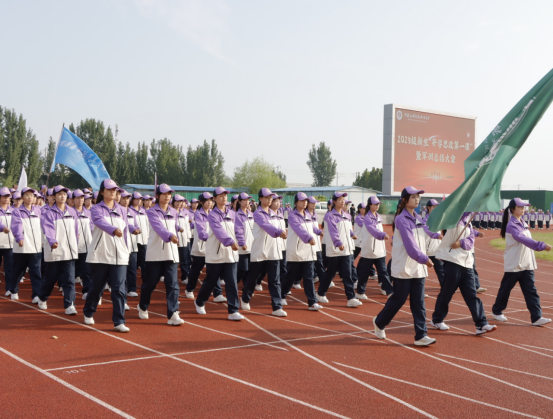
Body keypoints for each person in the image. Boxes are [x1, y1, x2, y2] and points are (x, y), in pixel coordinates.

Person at [373, 186, 436, 346]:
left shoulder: (417, 217)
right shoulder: (401, 219)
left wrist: (438, 235)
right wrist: (424, 258)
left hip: (418, 268)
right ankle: (379, 322)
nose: (417, 199)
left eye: (418, 197)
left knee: (418, 302)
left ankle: (421, 335)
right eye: (413, 197)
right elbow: (410, 245)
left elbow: (426, 231)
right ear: (404, 200)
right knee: (399, 299)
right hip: (405, 267)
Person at [431, 212, 497, 335]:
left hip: (467, 264)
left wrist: (461, 243)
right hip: (453, 261)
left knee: (472, 295)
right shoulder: (453, 219)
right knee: (446, 294)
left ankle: (481, 324)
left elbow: (471, 240)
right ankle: (437, 320)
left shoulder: (468, 222)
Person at [492, 198, 551, 326]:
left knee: (531, 290)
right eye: (520, 207)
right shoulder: (512, 225)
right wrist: (541, 245)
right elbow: (521, 238)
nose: (523, 209)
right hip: (515, 263)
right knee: (506, 289)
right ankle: (497, 310)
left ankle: (536, 317)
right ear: (513, 209)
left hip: (527, 263)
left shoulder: (523, 223)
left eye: (524, 207)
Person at [82, 179, 131, 332]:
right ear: (102, 192)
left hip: (119, 255)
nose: (112, 192)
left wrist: (126, 249)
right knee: (97, 288)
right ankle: (89, 311)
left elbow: (126, 232)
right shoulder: (96, 208)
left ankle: (119, 321)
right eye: (109, 189)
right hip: (100, 254)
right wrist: (113, 229)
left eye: (114, 190)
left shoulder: (122, 210)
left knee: (119, 289)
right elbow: (99, 222)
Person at [137, 184, 184, 326]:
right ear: (157, 196)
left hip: (171, 253)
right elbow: (159, 227)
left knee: (173, 284)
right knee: (151, 283)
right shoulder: (152, 212)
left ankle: (173, 314)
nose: (167, 196)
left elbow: (173, 227)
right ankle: (143, 306)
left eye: (169, 194)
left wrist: (176, 236)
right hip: (155, 253)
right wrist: (170, 236)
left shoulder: (174, 211)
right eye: (164, 194)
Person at [194, 187, 244, 320]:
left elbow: (238, 229)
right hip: (216, 254)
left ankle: (233, 310)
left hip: (230, 255)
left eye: (225, 195)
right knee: (210, 282)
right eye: (220, 196)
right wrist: (230, 241)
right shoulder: (212, 215)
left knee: (232, 282)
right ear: (215, 199)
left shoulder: (232, 214)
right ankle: (199, 301)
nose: (224, 198)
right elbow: (219, 231)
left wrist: (241, 241)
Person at [241, 188, 288, 317]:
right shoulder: (258, 213)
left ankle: (277, 307)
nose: (269, 199)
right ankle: (245, 298)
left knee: (275, 280)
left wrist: (283, 233)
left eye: (270, 197)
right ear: (260, 199)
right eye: (266, 197)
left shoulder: (276, 214)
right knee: (253, 278)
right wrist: (279, 232)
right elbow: (266, 225)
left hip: (274, 251)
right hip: (260, 251)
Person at [37, 185, 79, 314]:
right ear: (54, 197)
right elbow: (48, 229)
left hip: (69, 252)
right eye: (60, 194)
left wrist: (75, 243)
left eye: (65, 194)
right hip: (54, 251)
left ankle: (69, 305)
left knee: (69, 280)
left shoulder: (72, 212)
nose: (63, 196)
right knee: (50, 279)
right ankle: (42, 297)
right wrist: (52, 241)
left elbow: (75, 230)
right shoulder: (48, 213)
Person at [316, 192, 361, 307]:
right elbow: (333, 231)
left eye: (343, 199)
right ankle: (320, 293)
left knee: (347, 274)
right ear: (334, 202)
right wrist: (338, 243)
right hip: (336, 249)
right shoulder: (330, 216)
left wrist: (352, 234)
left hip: (346, 250)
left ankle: (351, 298)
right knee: (330, 273)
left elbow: (347, 229)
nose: (342, 201)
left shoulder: (347, 215)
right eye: (340, 199)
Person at [281, 192, 323, 310]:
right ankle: (282, 294)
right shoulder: (293, 216)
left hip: (308, 251)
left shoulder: (307, 214)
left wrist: (319, 232)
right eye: (302, 201)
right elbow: (299, 229)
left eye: (305, 201)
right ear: (296, 202)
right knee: (290, 276)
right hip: (296, 251)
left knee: (308, 277)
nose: (304, 203)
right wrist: (309, 238)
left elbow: (311, 227)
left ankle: (312, 302)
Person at [185, 192, 224, 301]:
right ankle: (189, 289)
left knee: (214, 270)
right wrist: (208, 238)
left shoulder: (214, 213)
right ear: (201, 202)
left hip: (212, 247)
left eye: (211, 201)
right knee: (196, 270)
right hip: (200, 248)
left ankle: (217, 293)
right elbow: (201, 229)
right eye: (207, 201)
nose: (210, 203)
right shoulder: (198, 214)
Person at [356, 196, 394, 299]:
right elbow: (372, 230)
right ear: (369, 205)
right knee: (364, 273)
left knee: (383, 272)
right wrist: (382, 235)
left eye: (378, 204)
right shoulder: (367, 218)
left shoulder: (378, 217)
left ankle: (389, 291)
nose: (377, 206)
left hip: (379, 250)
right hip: (369, 250)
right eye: (375, 204)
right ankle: (360, 292)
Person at [9, 187, 43, 302]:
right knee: (18, 271)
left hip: (36, 248)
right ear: (22, 197)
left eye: (32, 196)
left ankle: (36, 295)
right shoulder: (17, 211)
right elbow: (16, 226)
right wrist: (19, 238)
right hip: (22, 247)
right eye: (27, 195)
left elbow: (44, 226)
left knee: (36, 272)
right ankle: (13, 290)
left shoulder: (38, 211)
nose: (30, 198)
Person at [72, 189, 93, 300]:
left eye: (82, 198)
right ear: (73, 200)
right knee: (71, 271)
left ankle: (87, 290)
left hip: (86, 246)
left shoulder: (89, 213)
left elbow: (92, 227)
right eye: (77, 198)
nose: (80, 200)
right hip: (72, 246)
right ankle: (67, 290)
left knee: (86, 270)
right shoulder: (69, 213)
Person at [120, 190, 140, 303]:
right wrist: (132, 228)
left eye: (127, 198)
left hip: (132, 244)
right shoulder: (117, 211)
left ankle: (131, 288)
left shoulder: (132, 212)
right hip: (121, 244)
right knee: (121, 270)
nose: (126, 200)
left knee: (132, 268)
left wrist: (137, 229)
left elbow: (135, 224)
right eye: (124, 198)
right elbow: (126, 224)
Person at [422, 199, 445, 287]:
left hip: (436, 250)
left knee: (441, 269)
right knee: (421, 271)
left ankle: (444, 287)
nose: (436, 209)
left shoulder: (438, 219)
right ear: (428, 207)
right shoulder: (425, 220)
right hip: (426, 251)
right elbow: (428, 231)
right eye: (434, 207)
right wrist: (437, 236)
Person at [234, 192, 254, 285]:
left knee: (250, 269)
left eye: (248, 200)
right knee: (243, 268)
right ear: (239, 202)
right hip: (243, 247)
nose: (247, 202)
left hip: (252, 245)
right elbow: (238, 230)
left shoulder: (251, 214)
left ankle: (246, 288)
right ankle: (233, 282)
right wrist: (242, 242)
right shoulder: (237, 215)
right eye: (244, 200)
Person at [173, 194, 191, 285]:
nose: (179, 203)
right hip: (173, 239)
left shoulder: (184, 213)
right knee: (173, 260)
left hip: (184, 239)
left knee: (184, 259)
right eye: (177, 201)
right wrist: (178, 228)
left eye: (181, 201)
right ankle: (171, 277)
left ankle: (184, 276)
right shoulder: (171, 212)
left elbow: (187, 226)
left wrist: (187, 237)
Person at [0, 187, 14, 297]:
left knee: (9, 268)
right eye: (4, 196)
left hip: (10, 245)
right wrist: (3, 228)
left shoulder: (13, 211)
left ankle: (9, 288)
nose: (6, 198)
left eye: (8, 196)